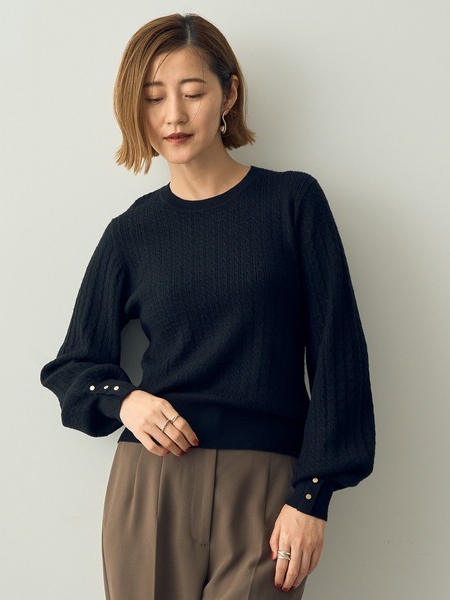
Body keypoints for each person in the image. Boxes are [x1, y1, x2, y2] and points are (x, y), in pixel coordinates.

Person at [40, 13, 375, 599]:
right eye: (153, 98)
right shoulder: (131, 232)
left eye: (192, 92)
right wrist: (126, 401)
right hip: (151, 482)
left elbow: (337, 354)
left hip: (267, 489)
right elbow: (71, 366)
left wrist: (312, 496)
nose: (173, 115)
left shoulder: (293, 203)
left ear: (229, 94)